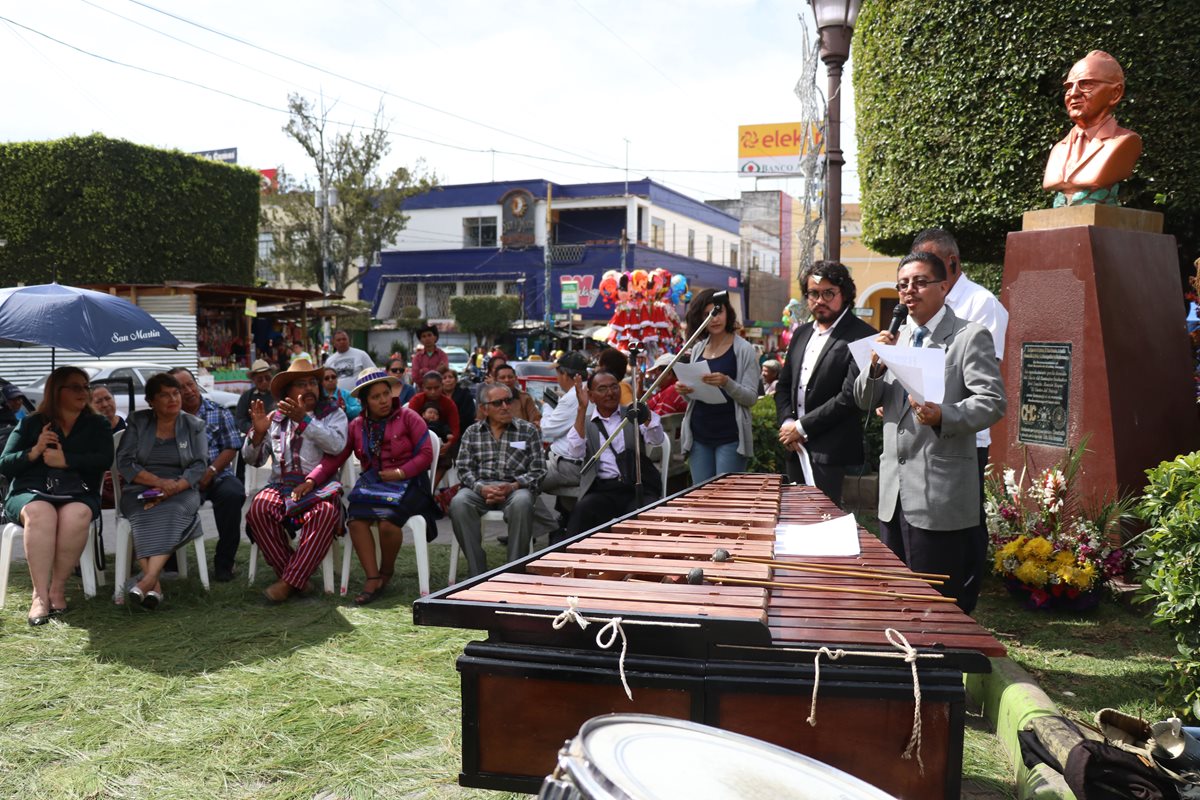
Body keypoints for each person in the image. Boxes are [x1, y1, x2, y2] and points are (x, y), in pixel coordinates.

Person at [853, 251, 1006, 613]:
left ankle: (941, 663)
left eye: (920, 282)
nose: (909, 291)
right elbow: (863, 399)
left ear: (943, 287)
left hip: (939, 492)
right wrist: (875, 365)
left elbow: (993, 401)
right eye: (903, 284)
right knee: (896, 596)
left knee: (935, 603)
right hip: (894, 492)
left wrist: (943, 415)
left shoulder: (969, 336)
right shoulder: (896, 338)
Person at [912, 228, 1010, 599]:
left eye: (931, 269)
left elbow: (986, 375)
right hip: (919, 433)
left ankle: (965, 595)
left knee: (964, 521)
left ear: (951, 264)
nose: (919, 281)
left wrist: (940, 407)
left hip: (962, 431)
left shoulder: (981, 304)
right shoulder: (917, 307)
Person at [305, 368, 433, 605]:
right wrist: (312, 479)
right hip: (374, 484)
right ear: (365, 401)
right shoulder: (357, 425)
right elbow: (335, 458)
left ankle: (386, 572)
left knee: (387, 524)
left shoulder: (409, 417)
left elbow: (426, 454)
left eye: (385, 393)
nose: (383, 400)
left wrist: (400, 472)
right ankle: (372, 578)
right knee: (355, 520)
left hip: (410, 482)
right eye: (375, 397)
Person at [0, 367, 114, 625]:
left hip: (77, 492)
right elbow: (4, 464)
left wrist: (66, 461)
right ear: (56, 391)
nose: (83, 392)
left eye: (85, 386)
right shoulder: (31, 422)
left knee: (77, 514)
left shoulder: (97, 424)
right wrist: (35, 451)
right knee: (42, 513)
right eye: (75, 387)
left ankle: (57, 589)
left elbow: (105, 459)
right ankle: (39, 596)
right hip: (30, 492)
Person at [242, 359, 348, 603]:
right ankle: (297, 579)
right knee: (259, 508)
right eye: (302, 384)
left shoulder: (333, 414)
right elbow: (253, 460)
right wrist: (257, 434)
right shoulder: (274, 418)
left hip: (320, 487)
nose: (310, 388)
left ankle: (288, 583)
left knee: (325, 512)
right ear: (288, 391)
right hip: (281, 486)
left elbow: (337, 445)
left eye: (313, 382)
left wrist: (305, 420)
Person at [775, 261, 878, 506]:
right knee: (794, 517)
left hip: (830, 451)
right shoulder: (801, 333)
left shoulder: (863, 335)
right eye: (813, 293)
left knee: (823, 522)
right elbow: (783, 385)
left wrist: (801, 427)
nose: (820, 300)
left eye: (828, 293)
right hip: (794, 445)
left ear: (845, 294)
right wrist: (788, 422)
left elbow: (850, 397)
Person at [115, 372, 207, 610]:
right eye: (164, 395)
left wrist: (174, 486)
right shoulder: (138, 421)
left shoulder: (193, 425)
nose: (173, 399)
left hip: (182, 489)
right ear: (151, 401)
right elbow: (124, 462)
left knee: (175, 511)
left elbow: (199, 465)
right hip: (141, 488)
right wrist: (157, 482)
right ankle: (154, 586)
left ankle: (146, 582)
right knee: (142, 514)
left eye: (175, 393)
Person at [449, 383, 546, 578]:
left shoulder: (527, 431)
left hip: (515, 487)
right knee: (459, 502)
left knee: (523, 502)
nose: (505, 406)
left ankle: (513, 572)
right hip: (479, 488)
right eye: (498, 403)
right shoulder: (472, 432)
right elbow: (464, 469)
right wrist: (481, 488)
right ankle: (478, 572)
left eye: (508, 401)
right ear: (484, 408)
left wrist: (513, 485)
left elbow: (539, 469)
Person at [562, 371, 664, 537]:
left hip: (636, 487)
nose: (610, 393)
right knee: (583, 510)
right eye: (602, 389)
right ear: (591, 395)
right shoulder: (586, 422)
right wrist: (582, 409)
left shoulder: (633, 414)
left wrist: (644, 409)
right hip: (604, 490)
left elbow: (656, 438)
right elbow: (575, 452)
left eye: (614, 387)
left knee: (650, 511)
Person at [170, 367, 246, 583]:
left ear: (196, 384)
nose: (187, 391)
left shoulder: (219, 411)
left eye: (190, 384)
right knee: (170, 502)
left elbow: (231, 446)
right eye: (180, 388)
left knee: (233, 494)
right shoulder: (170, 418)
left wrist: (211, 471)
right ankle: (170, 562)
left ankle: (224, 563)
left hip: (217, 473)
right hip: (183, 480)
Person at [676, 289, 759, 482]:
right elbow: (694, 397)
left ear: (728, 312)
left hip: (730, 436)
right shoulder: (697, 348)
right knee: (701, 496)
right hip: (699, 435)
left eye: (718, 311)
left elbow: (751, 398)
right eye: (707, 314)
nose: (714, 318)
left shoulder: (744, 349)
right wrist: (685, 391)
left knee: (727, 501)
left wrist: (727, 383)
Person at [1043, 51, 1142, 204]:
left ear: (1115, 93)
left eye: (1086, 84)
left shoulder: (1125, 142)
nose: (1073, 93)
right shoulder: (1058, 149)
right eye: (1069, 87)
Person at [409, 370, 460, 485]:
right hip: (418, 441)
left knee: (445, 461)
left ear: (442, 386)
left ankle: (431, 486)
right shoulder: (416, 401)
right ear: (423, 388)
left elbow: (455, 429)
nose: (433, 392)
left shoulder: (448, 404)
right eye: (429, 388)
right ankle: (417, 485)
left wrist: (448, 444)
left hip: (442, 441)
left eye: (436, 388)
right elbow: (409, 426)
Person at [235, 360, 276, 435]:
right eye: (260, 380)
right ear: (253, 380)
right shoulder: (246, 397)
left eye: (267, 378)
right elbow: (240, 420)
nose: (264, 382)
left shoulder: (279, 393)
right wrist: (256, 430)